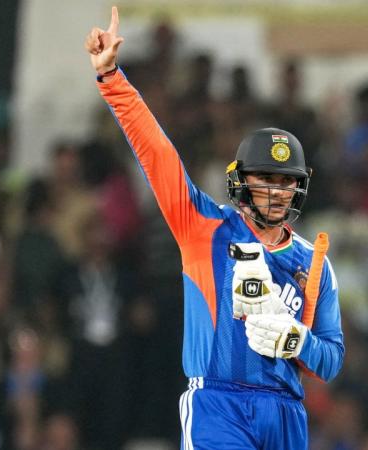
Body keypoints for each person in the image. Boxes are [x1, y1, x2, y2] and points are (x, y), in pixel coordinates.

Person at [84, 7, 344, 449]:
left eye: (287, 181)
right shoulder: (204, 227)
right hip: (217, 406)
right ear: (241, 182)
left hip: (286, 412)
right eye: (265, 178)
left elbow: (331, 359)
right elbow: (158, 155)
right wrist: (112, 78)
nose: (277, 191)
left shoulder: (313, 262)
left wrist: (296, 340)